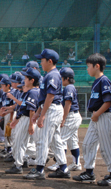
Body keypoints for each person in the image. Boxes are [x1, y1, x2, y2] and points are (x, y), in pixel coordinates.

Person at [73, 53, 111, 186]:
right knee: (88, 144)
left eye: (88, 66)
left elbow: (108, 101)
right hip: (96, 117)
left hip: (104, 116)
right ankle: (89, 173)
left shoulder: (104, 80)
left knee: (107, 147)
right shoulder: (96, 81)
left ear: (97, 66)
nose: (87, 69)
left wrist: (97, 114)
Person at [24, 49, 70, 180]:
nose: (41, 63)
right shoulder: (50, 75)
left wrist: (42, 115)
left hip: (52, 109)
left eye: (42, 60)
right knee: (56, 141)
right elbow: (44, 98)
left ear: (50, 61)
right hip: (49, 108)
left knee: (43, 140)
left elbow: (50, 96)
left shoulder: (53, 75)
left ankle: (39, 170)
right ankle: (64, 168)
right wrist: (38, 113)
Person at [5, 68, 41, 174]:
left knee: (20, 143)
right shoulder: (29, 92)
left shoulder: (34, 92)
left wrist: (30, 124)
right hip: (24, 118)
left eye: (26, 78)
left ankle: (18, 165)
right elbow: (23, 108)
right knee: (19, 142)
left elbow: (32, 110)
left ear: (32, 80)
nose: (24, 80)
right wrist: (16, 120)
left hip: (28, 119)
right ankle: (21, 163)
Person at [47, 67, 82, 172]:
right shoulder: (68, 87)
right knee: (72, 141)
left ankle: (59, 164)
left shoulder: (68, 88)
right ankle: (76, 163)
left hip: (70, 116)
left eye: (61, 78)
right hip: (73, 116)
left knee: (60, 140)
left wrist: (63, 119)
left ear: (66, 78)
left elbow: (68, 104)